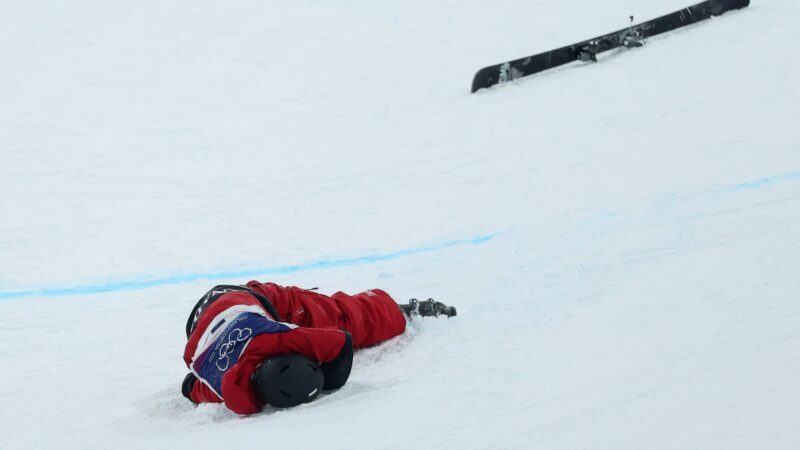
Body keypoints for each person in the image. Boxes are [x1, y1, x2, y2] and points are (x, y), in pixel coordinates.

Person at [181, 280, 456, 414]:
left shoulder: (278, 339)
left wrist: (326, 374)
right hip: (199, 328)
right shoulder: (221, 385)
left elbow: (339, 340)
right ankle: (397, 312)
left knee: (340, 317)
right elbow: (192, 387)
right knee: (340, 320)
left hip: (245, 299)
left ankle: (398, 312)